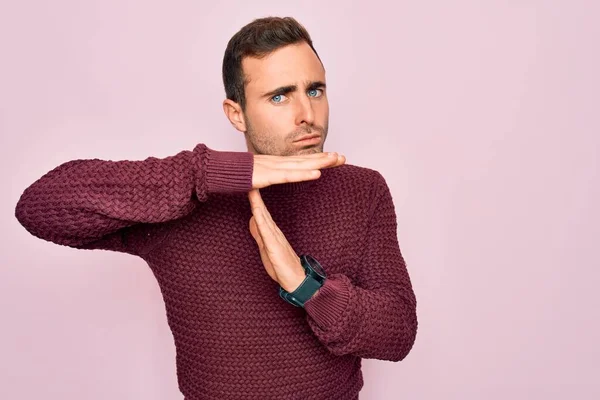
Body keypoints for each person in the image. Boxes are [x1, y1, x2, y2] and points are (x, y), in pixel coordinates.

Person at [15, 16, 418, 400]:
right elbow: (40, 205)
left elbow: (398, 333)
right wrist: (209, 175)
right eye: (279, 96)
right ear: (236, 114)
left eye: (314, 90)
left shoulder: (362, 190)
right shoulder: (183, 200)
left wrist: (304, 284)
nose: (306, 115)